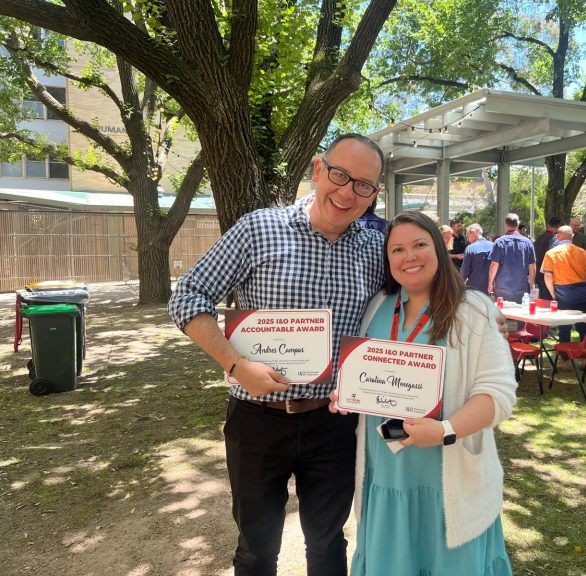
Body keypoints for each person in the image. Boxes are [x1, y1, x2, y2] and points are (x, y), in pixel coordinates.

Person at [168, 133, 388, 576]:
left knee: (328, 543)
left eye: (362, 184)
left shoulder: (375, 250)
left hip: (335, 424)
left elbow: (423, 293)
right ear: (317, 170)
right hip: (256, 420)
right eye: (339, 175)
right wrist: (234, 363)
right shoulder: (258, 229)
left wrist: (477, 315)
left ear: (374, 195)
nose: (346, 192)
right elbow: (188, 295)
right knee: (256, 548)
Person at [335, 211, 516, 576]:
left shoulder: (475, 310)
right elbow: (368, 375)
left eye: (419, 244)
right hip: (386, 476)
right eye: (397, 249)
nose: (409, 256)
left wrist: (446, 429)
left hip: (448, 479)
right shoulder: (376, 309)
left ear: (439, 246)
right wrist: (348, 392)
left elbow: (498, 395)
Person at [541, 225, 586, 345]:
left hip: (563, 293)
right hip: (583, 292)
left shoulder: (551, 253)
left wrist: (553, 293)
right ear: (572, 237)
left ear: (557, 237)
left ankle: (564, 358)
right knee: (583, 325)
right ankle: (585, 354)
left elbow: (547, 275)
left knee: (564, 327)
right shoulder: (582, 252)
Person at [487, 213, 536, 303]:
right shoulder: (528, 242)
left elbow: (494, 265)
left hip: (502, 288)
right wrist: (532, 283)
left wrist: (490, 283)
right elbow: (532, 265)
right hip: (521, 287)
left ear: (505, 225)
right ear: (518, 225)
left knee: (503, 313)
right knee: (518, 315)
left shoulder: (499, 242)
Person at [533, 216, 561, 299]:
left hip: (538, 273)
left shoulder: (539, 237)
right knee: (550, 300)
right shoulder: (554, 240)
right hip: (548, 275)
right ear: (559, 226)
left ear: (549, 225)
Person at [460, 223, 494, 293]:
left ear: (473, 233)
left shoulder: (470, 248)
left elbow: (464, 272)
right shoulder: (493, 246)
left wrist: (459, 285)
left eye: (467, 236)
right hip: (491, 289)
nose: (467, 239)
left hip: (474, 290)